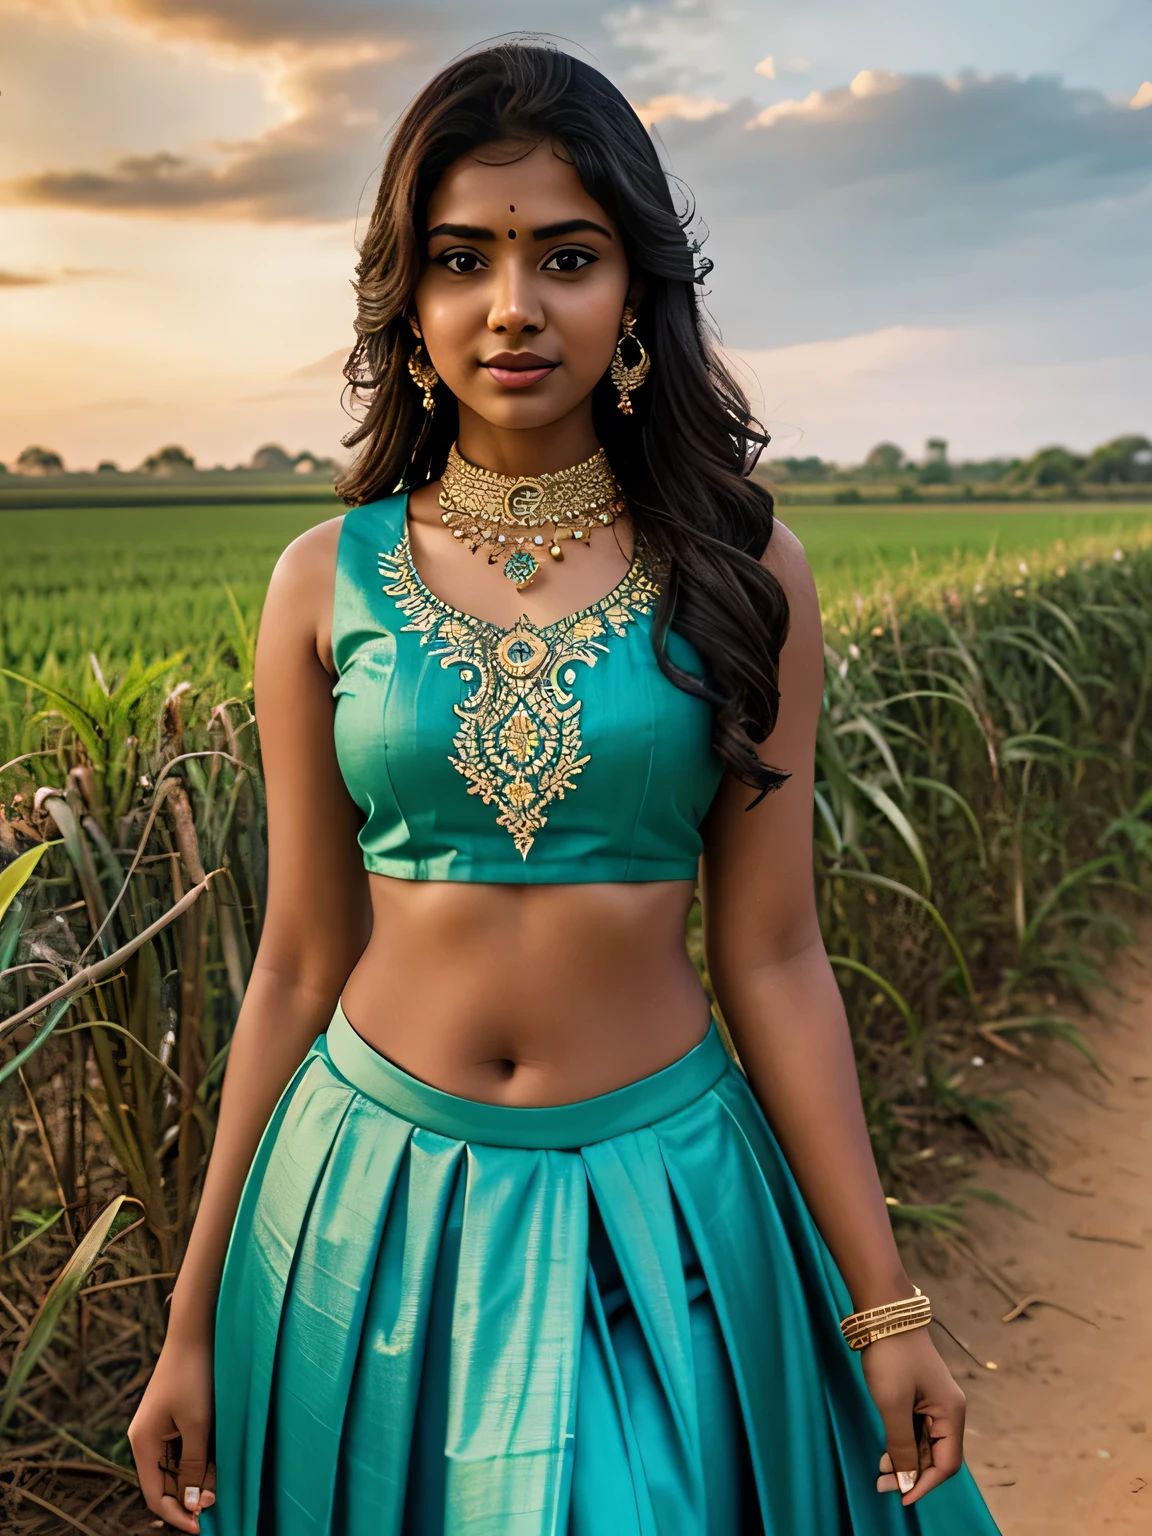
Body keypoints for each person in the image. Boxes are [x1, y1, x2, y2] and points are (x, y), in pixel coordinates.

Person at [128, 41, 1002, 1536]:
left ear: (636, 294)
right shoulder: (321, 587)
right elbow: (294, 961)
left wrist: (885, 1305)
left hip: (659, 1211)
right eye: (463, 258)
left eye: (568, 256)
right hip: (362, 1210)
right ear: (409, 302)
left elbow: (775, 952)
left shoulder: (743, 575)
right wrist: (194, 1320)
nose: (514, 305)